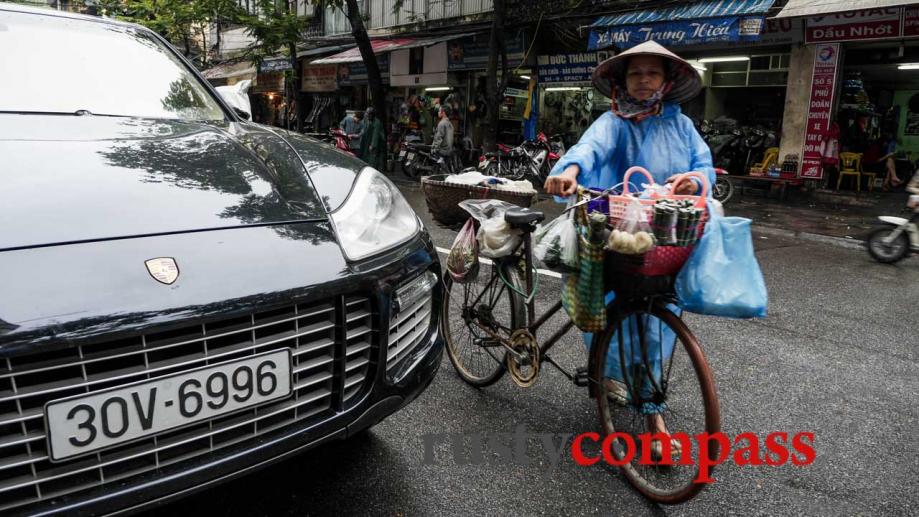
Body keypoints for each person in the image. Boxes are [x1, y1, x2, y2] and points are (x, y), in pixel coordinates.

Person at [544, 40, 715, 458]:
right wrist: (568, 170)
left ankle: (653, 415)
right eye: (635, 73)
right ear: (623, 81)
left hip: (666, 234)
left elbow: (703, 166)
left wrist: (695, 181)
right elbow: (588, 148)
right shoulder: (613, 122)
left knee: (657, 326)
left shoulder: (683, 126)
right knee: (607, 314)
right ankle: (618, 384)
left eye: (651, 73)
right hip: (616, 229)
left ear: (666, 80)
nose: (643, 80)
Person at [359, 106, 386, 171]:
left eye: (368, 114)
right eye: (366, 113)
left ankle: (373, 170)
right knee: (365, 155)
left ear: (372, 115)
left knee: (373, 157)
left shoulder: (377, 122)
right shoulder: (365, 119)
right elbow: (362, 126)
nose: (367, 115)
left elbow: (376, 134)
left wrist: (373, 145)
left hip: (377, 143)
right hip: (367, 139)